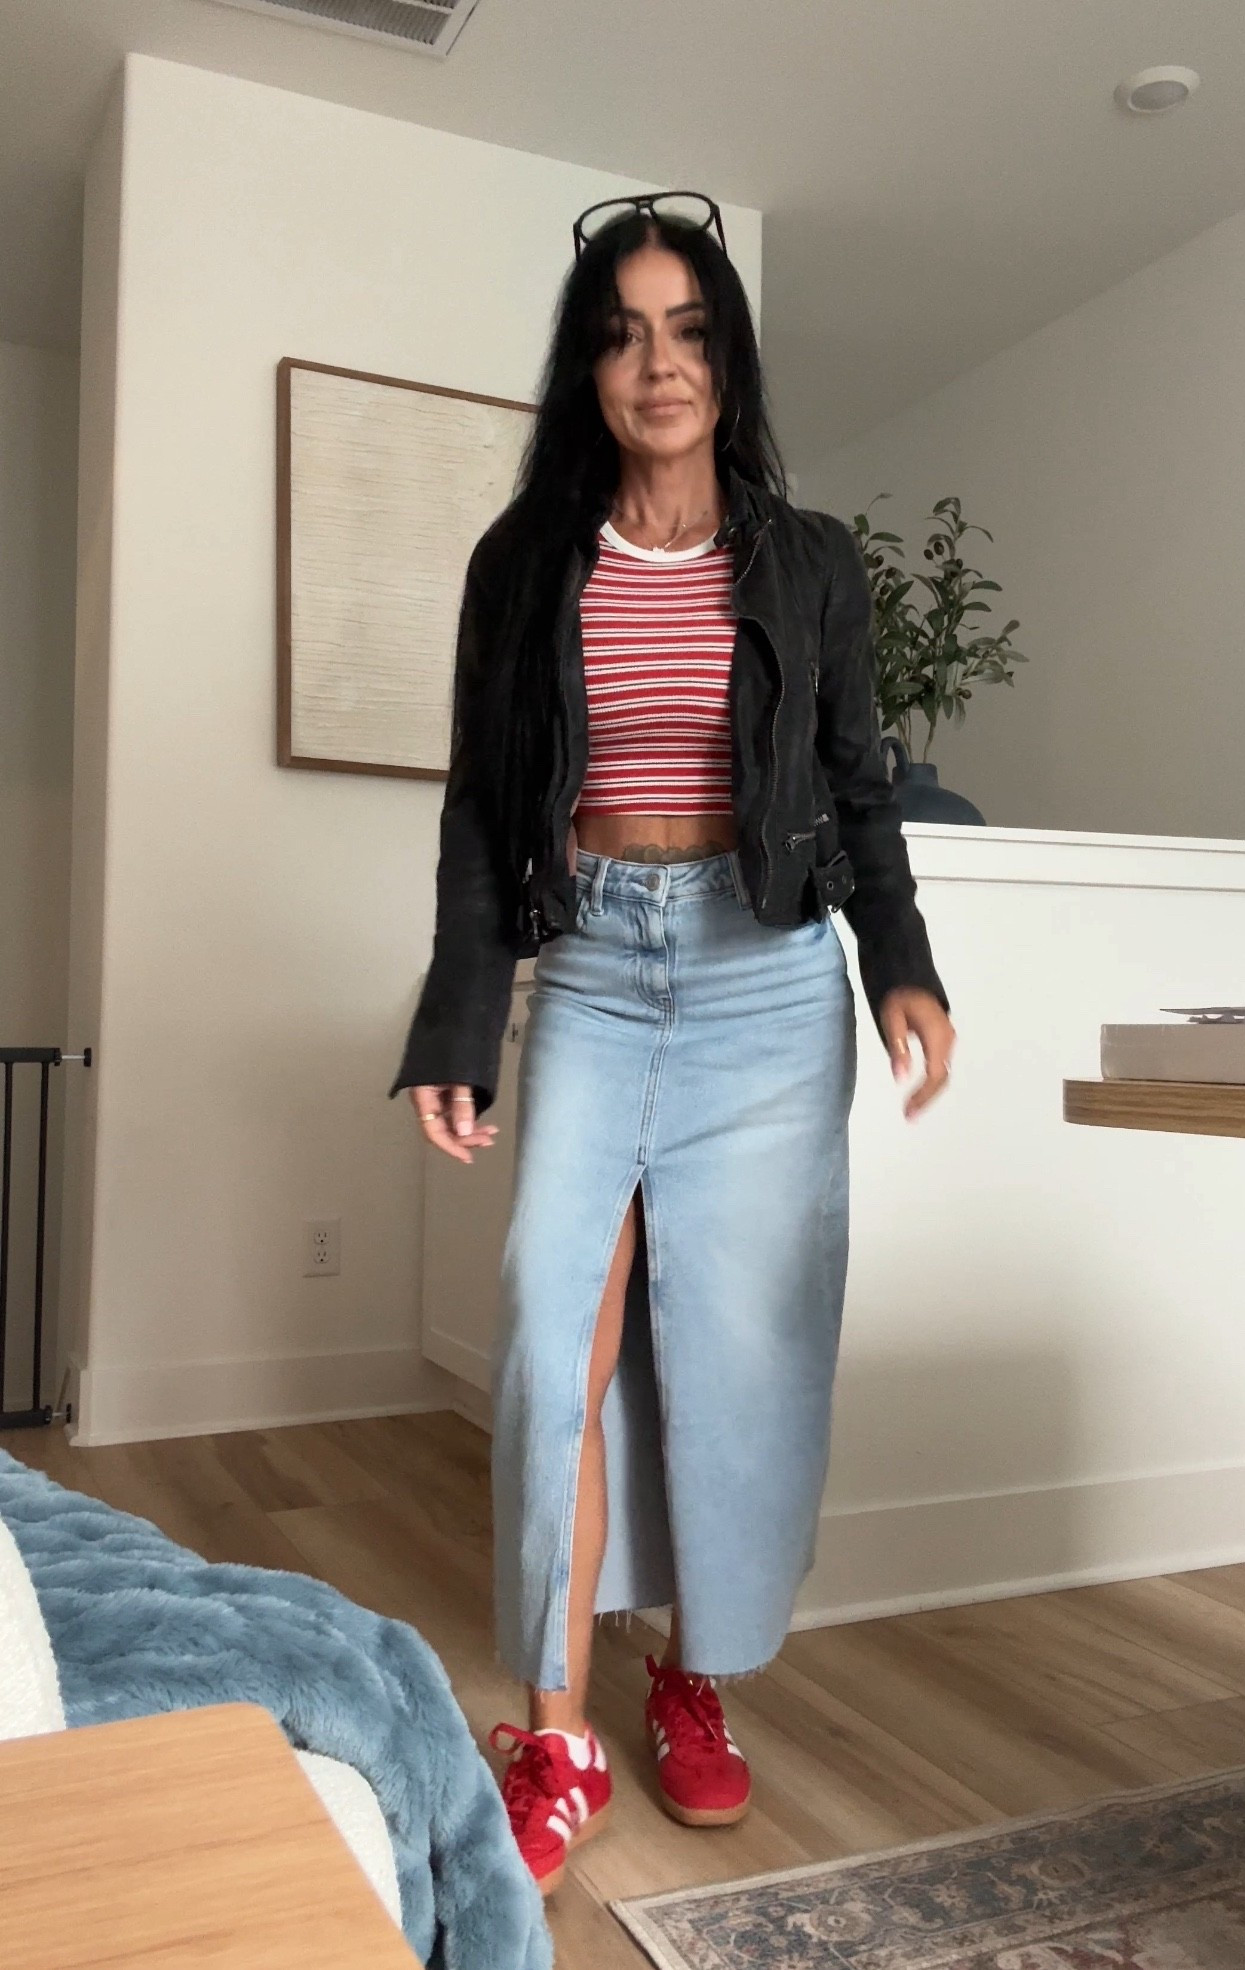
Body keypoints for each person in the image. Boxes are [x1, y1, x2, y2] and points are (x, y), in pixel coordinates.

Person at [390, 190, 954, 1895]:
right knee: (549, 1327)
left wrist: (901, 962)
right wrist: (459, 1017)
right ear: (589, 364)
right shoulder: (523, 563)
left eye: (689, 331)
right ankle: (553, 1732)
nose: (659, 364)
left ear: (727, 357)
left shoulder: (807, 558)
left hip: (762, 974)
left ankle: (689, 1672)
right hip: (593, 966)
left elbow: (857, 784)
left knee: (729, 1347)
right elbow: (484, 810)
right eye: (624, 334)